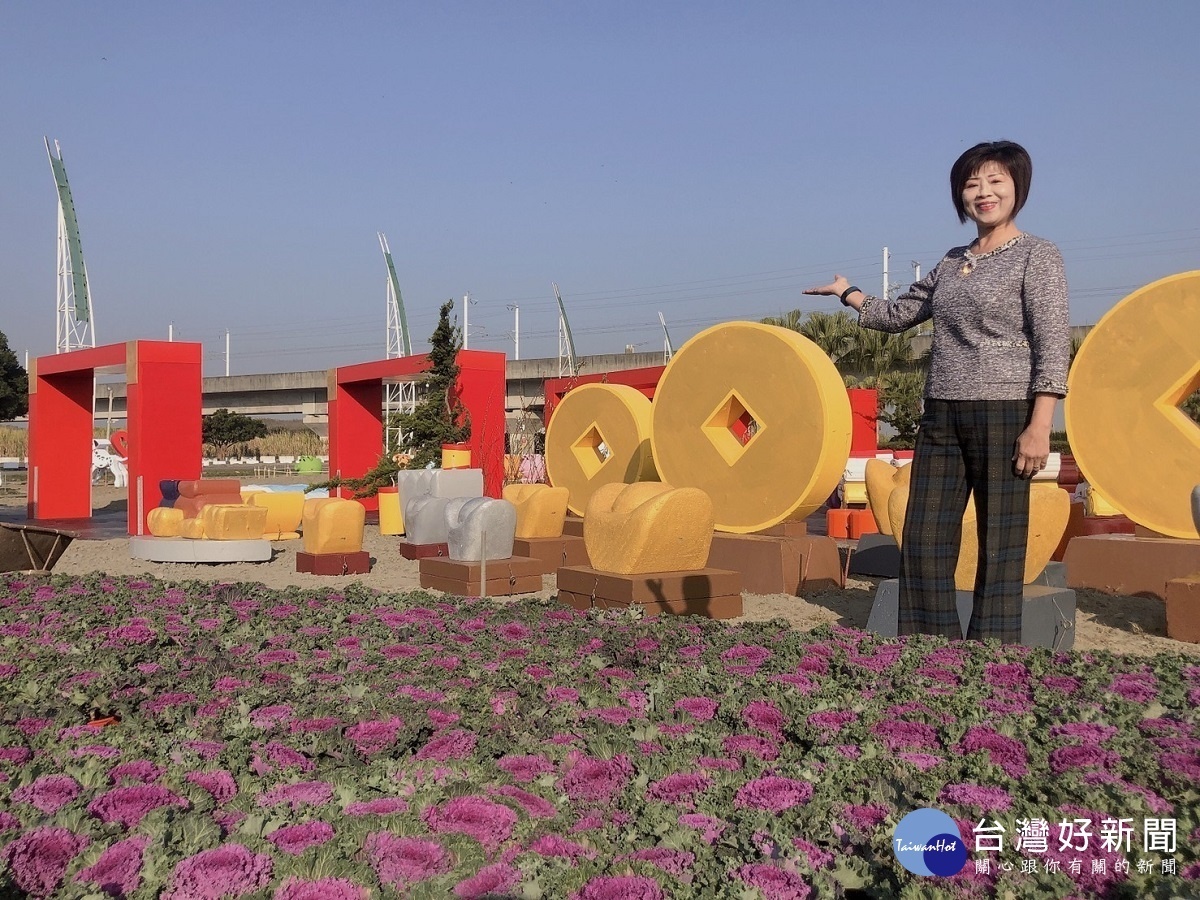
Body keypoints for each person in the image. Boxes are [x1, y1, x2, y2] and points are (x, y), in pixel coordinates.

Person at [805, 140, 1069, 642]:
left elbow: (1053, 345)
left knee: (1000, 545)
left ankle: (991, 661)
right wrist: (847, 292)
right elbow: (898, 315)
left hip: (1007, 413)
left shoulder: (1038, 255)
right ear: (959, 196)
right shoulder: (953, 261)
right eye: (972, 184)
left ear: (1018, 189)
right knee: (924, 540)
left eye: (995, 182)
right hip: (942, 416)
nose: (983, 193)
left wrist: (1040, 427)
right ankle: (932, 656)